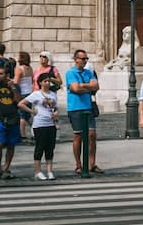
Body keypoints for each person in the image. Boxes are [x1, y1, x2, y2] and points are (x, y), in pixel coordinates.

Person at [66, 49, 103, 178]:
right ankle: (79, 164)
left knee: (92, 135)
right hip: (75, 107)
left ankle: (92, 163)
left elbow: (96, 86)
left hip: (88, 107)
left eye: (86, 59)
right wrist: (87, 86)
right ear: (76, 59)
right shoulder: (70, 73)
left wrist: (82, 86)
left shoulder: (89, 72)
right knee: (78, 135)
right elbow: (75, 88)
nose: (84, 61)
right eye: (82, 59)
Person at [19, 75, 60, 181]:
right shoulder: (36, 94)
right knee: (40, 147)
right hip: (39, 124)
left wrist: (56, 113)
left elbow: (56, 107)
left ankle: (49, 170)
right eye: (45, 81)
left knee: (50, 148)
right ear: (40, 83)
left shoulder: (53, 94)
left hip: (51, 123)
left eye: (49, 81)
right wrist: (32, 111)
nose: (47, 83)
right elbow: (21, 104)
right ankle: (37, 171)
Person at [15, 52, 34, 140]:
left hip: (21, 93)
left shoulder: (19, 69)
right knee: (28, 115)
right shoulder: (30, 68)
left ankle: (22, 134)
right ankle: (34, 131)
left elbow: (16, 82)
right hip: (29, 93)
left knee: (21, 115)